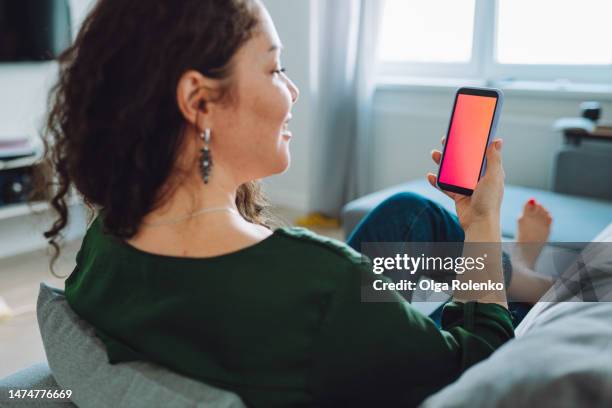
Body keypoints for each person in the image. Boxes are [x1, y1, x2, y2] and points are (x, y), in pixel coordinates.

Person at [40, 0, 548, 406]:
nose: (293, 90)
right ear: (198, 101)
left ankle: (517, 270)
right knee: (521, 295)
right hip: (327, 338)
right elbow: (483, 370)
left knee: (407, 215)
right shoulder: (322, 279)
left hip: (298, 339)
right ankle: (527, 279)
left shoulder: (105, 240)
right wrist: (481, 220)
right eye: (274, 68)